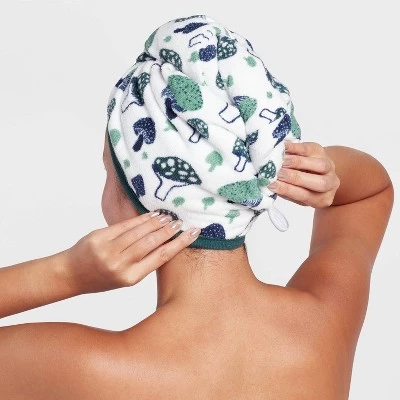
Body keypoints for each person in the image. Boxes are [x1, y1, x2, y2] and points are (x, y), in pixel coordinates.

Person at [0, 15, 394, 400]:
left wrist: (66, 273)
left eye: (108, 168)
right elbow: (371, 192)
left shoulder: (79, 370)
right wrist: (302, 168)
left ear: (139, 197)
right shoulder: (323, 327)